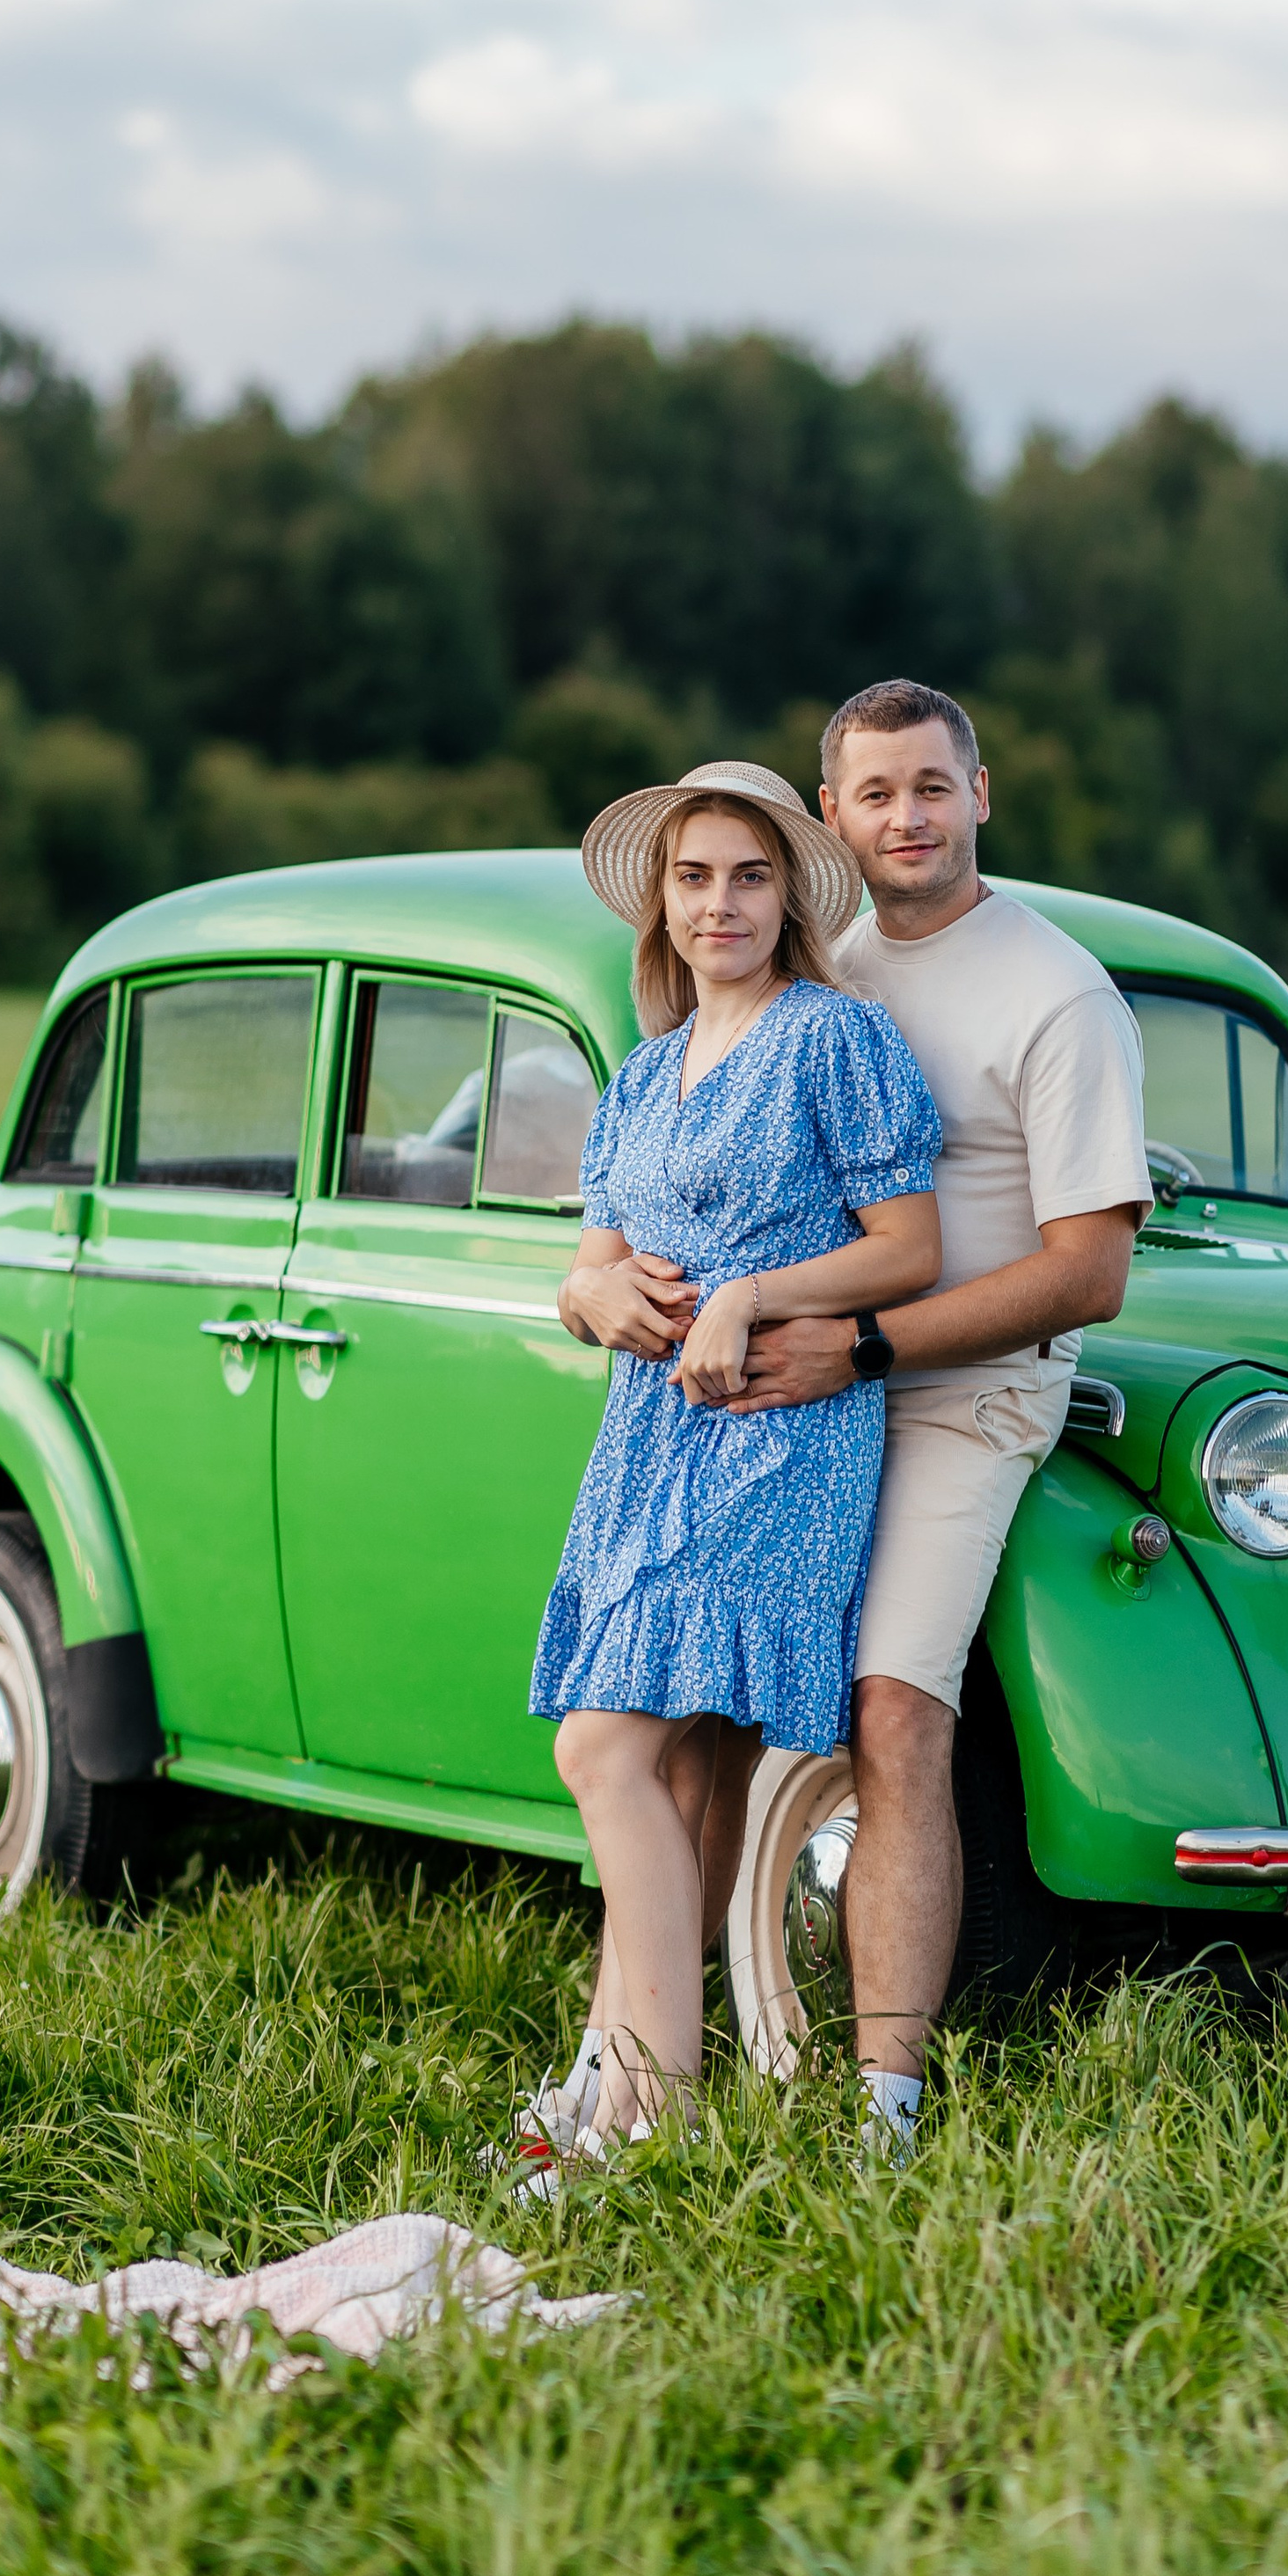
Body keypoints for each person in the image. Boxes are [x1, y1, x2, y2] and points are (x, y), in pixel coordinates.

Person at [531, 684, 1150, 2165]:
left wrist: (846, 1338)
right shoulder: (829, 965)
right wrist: (594, 1290)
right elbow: (626, 1220)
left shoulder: (1054, 991)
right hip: (763, 1393)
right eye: (874, 795)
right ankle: (633, 2069)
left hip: (964, 1383)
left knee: (892, 1709)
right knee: (689, 1733)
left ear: (980, 793)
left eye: (931, 788)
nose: (907, 819)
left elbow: (1087, 1270)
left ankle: (882, 2097)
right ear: (840, 820)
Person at [524, 760, 940, 2156]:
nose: (722, 903)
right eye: (695, 877)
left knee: (604, 1744)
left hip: (781, 1433)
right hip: (647, 1441)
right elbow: (591, 1258)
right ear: (662, 897)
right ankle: (610, 2093)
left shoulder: (837, 1038)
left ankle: (665, 2097)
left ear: (788, 896)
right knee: (672, 1767)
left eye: (750, 876)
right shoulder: (641, 1071)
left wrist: (758, 1293)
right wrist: (588, 1297)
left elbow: (911, 1248)